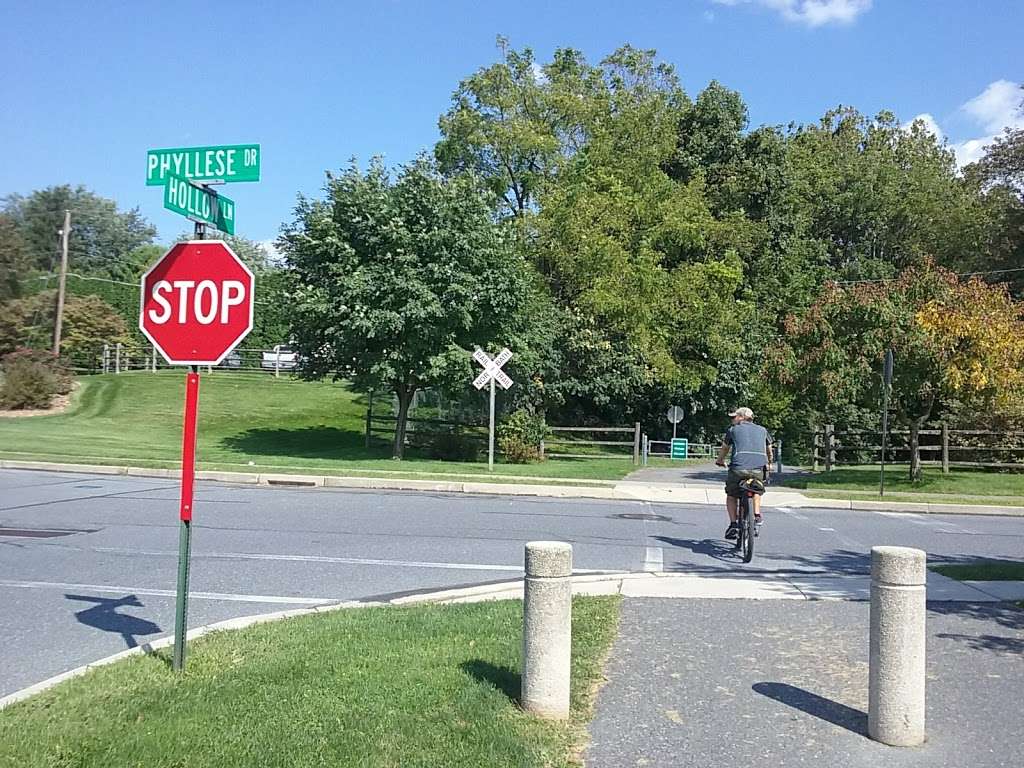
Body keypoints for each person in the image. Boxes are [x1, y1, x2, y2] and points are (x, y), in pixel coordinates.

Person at [715, 407, 773, 540]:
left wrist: (720, 460)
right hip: (758, 468)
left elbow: (725, 448)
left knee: (731, 494)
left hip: (738, 469)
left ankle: (734, 524)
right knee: (757, 488)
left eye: (734, 417)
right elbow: (769, 449)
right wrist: (769, 462)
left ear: (742, 417)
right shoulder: (763, 430)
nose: (732, 420)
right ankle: (757, 515)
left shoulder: (733, 430)